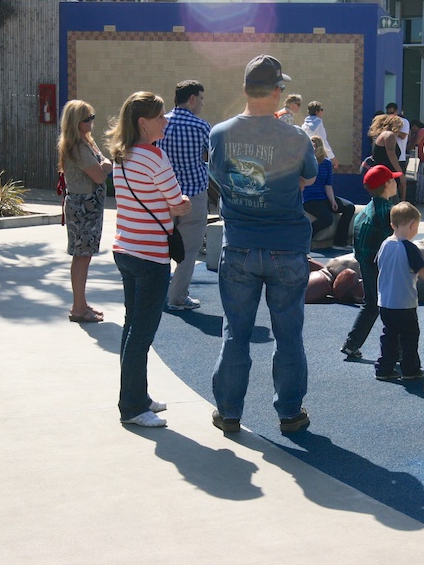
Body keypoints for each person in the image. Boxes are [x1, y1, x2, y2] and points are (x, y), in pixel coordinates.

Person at [208, 55, 318, 434]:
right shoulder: (296, 137)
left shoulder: (220, 133)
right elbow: (308, 177)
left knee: (235, 333)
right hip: (286, 245)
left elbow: (219, 176)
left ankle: (229, 411)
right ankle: (289, 413)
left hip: (239, 244)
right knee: (288, 334)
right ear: (278, 92)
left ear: (244, 90)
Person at [106, 91, 191, 428]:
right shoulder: (155, 158)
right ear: (143, 123)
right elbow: (176, 201)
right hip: (150, 254)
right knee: (141, 332)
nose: (165, 121)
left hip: (125, 248)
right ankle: (132, 407)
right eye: (159, 117)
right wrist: (180, 203)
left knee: (132, 327)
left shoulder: (121, 155)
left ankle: (137, 397)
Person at [374, 201, 424, 381]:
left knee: (389, 334)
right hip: (404, 302)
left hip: (385, 301)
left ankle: (384, 368)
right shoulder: (410, 248)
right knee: (410, 336)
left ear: (393, 224)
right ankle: (410, 369)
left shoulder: (386, 243)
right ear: (412, 226)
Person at [57, 99, 113, 323]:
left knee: (85, 256)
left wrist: (105, 165)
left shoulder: (85, 143)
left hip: (88, 206)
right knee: (81, 257)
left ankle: (81, 303)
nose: (91, 122)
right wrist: (105, 166)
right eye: (86, 119)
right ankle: (78, 308)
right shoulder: (77, 147)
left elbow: (104, 164)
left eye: (92, 117)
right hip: (82, 207)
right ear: (75, 122)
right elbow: (100, 174)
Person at [159, 79, 212, 311]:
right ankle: (177, 297)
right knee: (189, 251)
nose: (201, 103)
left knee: (159, 248)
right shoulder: (201, 126)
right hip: (194, 194)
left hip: (163, 195)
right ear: (192, 99)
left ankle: (157, 293)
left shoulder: (161, 124)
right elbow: (210, 158)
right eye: (200, 98)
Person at [340, 164, 401, 360]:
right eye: (393, 179)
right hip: (382, 266)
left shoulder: (365, 210)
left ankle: (351, 344)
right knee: (395, 307)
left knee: (371, 304)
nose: (396, 181)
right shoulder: (390, 212)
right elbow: (397, 241)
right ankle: (399, 353)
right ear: (387, 184)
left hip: (366, 263)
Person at [303, 135, 356, 249]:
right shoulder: (305, 161)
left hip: (323, 197)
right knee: (326, 219)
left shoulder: (327, 163)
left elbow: (328, 185)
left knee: (349, 207)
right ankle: (304, 241)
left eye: (315, 145)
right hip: (309, 199)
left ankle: (339, 242)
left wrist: (332, 201)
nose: (314, 148)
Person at [369, 113, 405, 201]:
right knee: (391, 202)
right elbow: (391, 154)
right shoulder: (389, 135)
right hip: (386, 175)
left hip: (381, 174)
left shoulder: (382, 135)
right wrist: (400, 173)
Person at [301, 100, 338, 168]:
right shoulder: (319, 124)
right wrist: (333, 158)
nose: (322, 112)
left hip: (304, 156)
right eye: (321, 110)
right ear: (317, 112)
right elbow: (324, 142)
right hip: (317, 158)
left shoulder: (304, 125)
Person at [386, 103, 410, 177]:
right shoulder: (386, 121)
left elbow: (403, 135)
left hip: (400, 157)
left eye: (391, 113)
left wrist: (392, 129)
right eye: (388, 113)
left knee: (400, 181)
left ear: (396, 111)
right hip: (387, 157)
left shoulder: (403, 121)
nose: (390, 115)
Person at [410, 119, 424, 204]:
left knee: (423, 178)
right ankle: (422, 196)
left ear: (415, 126)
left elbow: (416, 143)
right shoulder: (419, 133)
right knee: (421, 177)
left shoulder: (422, 131)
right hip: (423, 158)